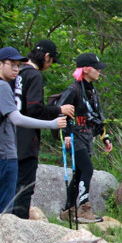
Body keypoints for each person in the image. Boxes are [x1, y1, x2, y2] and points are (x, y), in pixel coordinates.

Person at [0, 47, 67, 216]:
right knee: (6, 208)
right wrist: (52, 124)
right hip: (3, 153)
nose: (16, 69)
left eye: (18, 65)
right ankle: (10, 240)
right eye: (12, 65)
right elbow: (17, 118)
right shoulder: (1, 86)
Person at [12, 39, 75, 219]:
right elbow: (34, 109)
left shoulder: (17, 72)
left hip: (9, 138)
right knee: (24, 188)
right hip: (26, 139)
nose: (50, 65)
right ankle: (18, 227)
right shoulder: (34, 76)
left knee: (12, 186)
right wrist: (58, 110)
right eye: (52, 61)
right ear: (46, 57)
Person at [58, 52, 112, 223]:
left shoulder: (91, 90)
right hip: (74, 137)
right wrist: (66, 134)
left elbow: (96, 116)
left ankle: (68, 210)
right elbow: (60, 112)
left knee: (80, 172)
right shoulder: (73, 90)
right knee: (87, 169)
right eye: (97, 69)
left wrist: (105, 137)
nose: (99, 72)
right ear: (87, 69)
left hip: (87, 137)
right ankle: (84, 208)